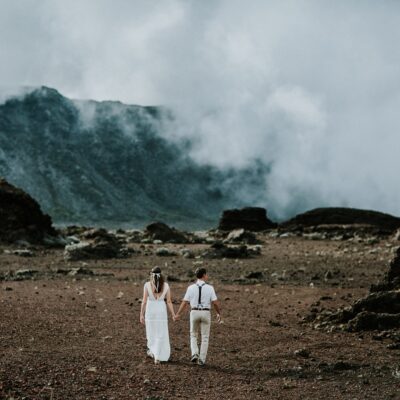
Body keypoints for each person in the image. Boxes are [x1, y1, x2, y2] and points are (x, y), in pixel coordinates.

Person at [175, 267, 221, 366]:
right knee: (205, 337)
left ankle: (195, 353)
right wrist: (218, 313)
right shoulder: (210, 288)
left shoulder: (190, 288)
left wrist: (178, 313)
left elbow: (184, 302)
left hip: (194, 312)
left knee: (193, 335)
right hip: (205, 313)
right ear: (204, 275)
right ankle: (202, 360)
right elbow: (215, 303)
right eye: (206, 274)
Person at [140, 266, 176, 364]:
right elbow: (169, 301)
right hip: (161, 310)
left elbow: (144, 301)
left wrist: (141, 314)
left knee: (152, 332)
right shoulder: (166, 285)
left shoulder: (147, 285)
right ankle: (157, 355)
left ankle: (154, 353)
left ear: (151, 274)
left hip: (151, 310)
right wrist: (173, 314)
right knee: (161, 333)